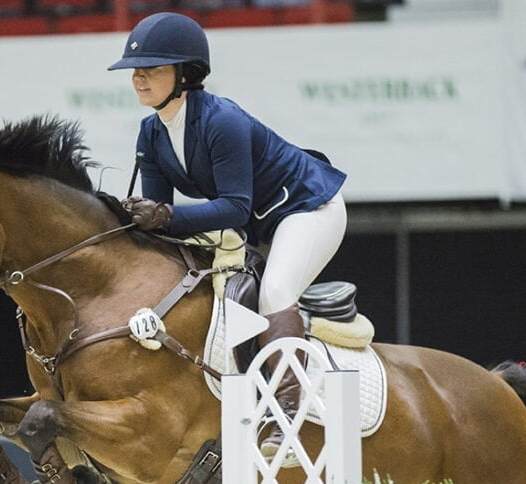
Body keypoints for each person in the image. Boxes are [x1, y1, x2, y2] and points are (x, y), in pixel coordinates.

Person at [108, 11, 349, 450]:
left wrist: (164, 216)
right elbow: (161, 221)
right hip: (254, 224)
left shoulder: (222, 121)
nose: (138, 78)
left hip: (307, 208)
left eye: (152, 69)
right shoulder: (151, 133)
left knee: (275, 291)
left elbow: (233, 207)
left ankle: (286, 415)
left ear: (185, 74)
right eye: (136, 70)